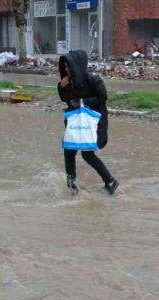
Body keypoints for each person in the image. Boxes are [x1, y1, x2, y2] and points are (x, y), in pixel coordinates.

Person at [58, 50, 119, 196]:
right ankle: (71, 185)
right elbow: (65, 99)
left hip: (94, 123)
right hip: (75, 122)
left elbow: (102, 97)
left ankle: (110, 181)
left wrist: (82, 102)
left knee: (87, 154)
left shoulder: (94, 80)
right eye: (65, 67)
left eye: (69, 66)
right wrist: (62, 87)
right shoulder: (69, 82)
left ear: (77, 65)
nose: (66, 70)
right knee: (69, 151)